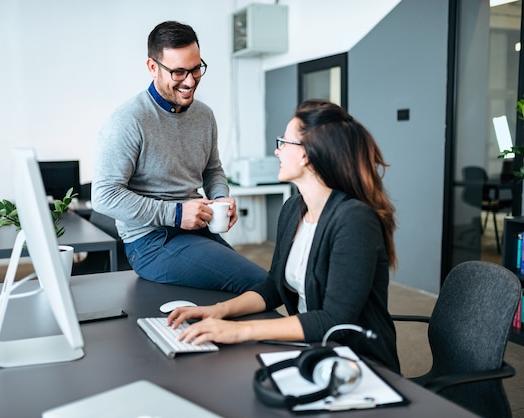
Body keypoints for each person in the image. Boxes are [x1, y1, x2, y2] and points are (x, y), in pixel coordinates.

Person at [169, 99, 401, 373]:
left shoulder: (353, 219)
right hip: (313, 349)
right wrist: (219, 310)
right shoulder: (293, 209)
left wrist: (239, 331)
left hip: (358, 361)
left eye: (284, 142)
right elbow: (273, 287)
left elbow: (333, 320)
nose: (277, 151)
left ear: (305, 154)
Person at [91, 21, 267, 294]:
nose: (190, 80)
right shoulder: (128, 121)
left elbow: (213, 170)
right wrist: (174, 214)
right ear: (153, 67)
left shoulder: (204, 115)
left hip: (197, 231)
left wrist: (220, 197)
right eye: (179, 72)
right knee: (261, 284)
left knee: (263, 285)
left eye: (196, 68)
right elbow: (104, 196)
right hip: (149, 242)